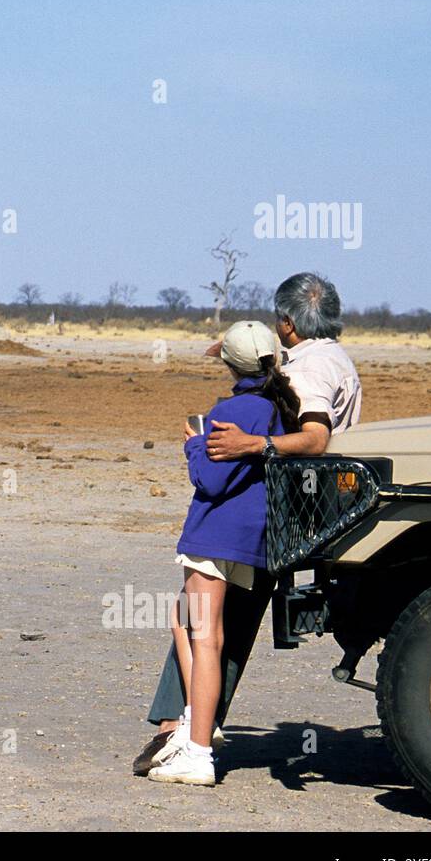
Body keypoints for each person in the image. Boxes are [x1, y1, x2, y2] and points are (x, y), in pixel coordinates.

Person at [134, 272, 362, 777]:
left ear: (287, 323)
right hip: (291, 513)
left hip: (269, 516)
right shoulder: (330, 361)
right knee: (218, 624)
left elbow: (315, 440)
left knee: (210, 628)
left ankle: (185, 731)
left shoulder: (310, 369)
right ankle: (190, 725)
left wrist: (240, 445)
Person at [146, 320, 301, 785]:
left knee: (206, 637)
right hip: (250, 538)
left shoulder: (232, 408)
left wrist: (193, 445)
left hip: (214, 535)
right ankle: (197, 723)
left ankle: (197, 751)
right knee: (185, 621)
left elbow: (210, 481)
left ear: (230, 364)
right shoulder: (279, 409)